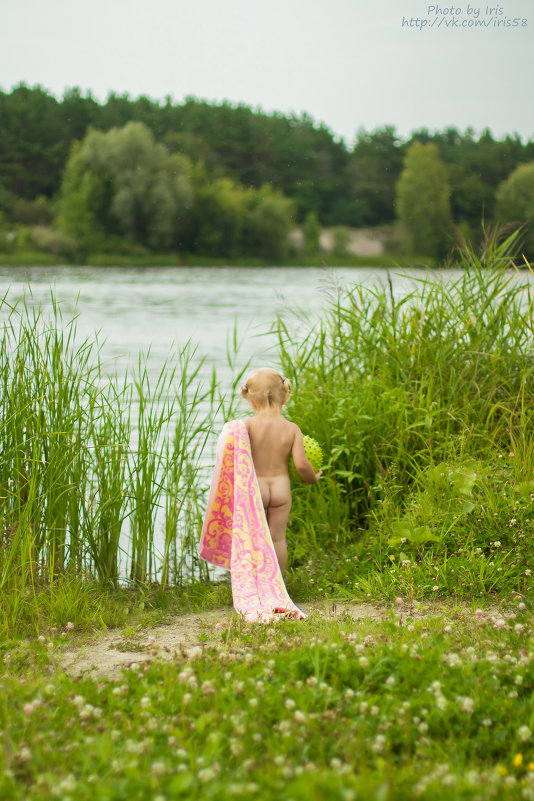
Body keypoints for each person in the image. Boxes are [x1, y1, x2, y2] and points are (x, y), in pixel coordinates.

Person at [240, 367, 321, 576]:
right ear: (284, 398)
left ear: (250, 400)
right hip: (280, 489)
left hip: (256, 488)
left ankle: (255, 583)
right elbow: (302, 465)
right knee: (277, 538)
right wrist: (313, 478)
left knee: (253, 538)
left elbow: (235, 459)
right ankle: (278, 585)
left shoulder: (246, 426)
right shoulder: (291, 429)